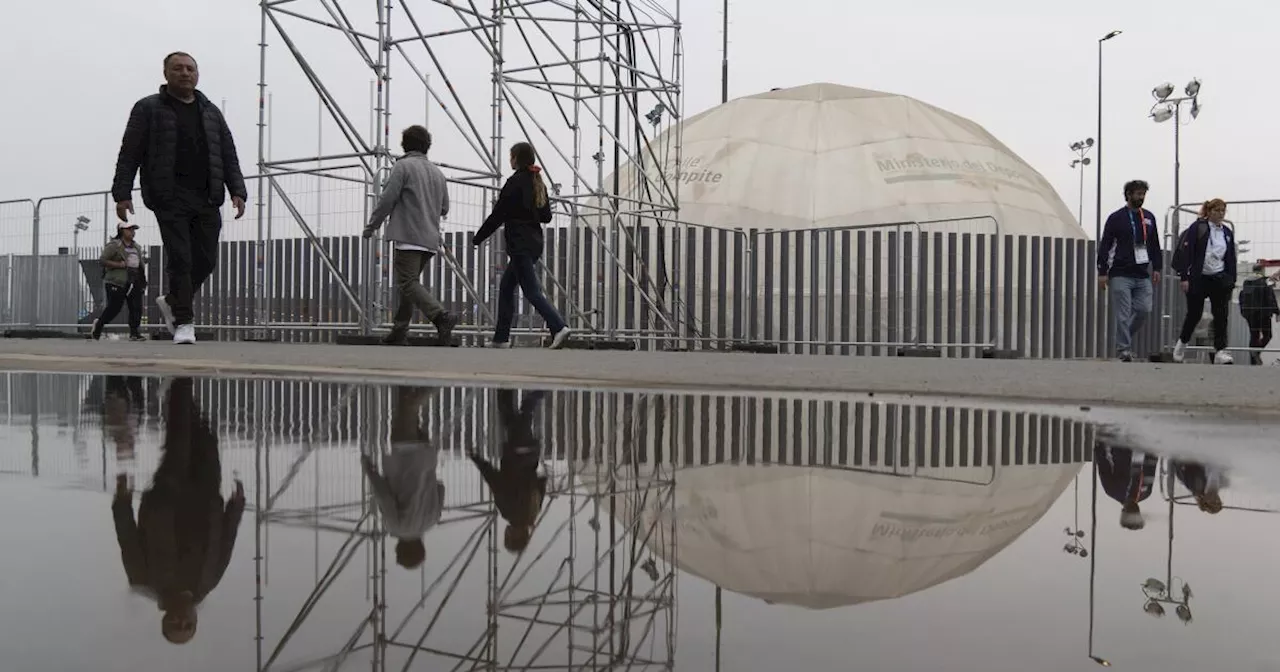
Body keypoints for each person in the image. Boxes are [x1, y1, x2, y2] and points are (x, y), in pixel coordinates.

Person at [111, 51, 247, 345]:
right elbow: (129, 152)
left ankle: (173, 300)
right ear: (166, 74)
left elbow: (228, 153)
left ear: (197, 75)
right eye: (178, 69)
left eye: (190, 69)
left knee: (207, 260)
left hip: (208, 196)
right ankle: (184, 322)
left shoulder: (210, 111)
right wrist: (122, 193)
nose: (185, 73)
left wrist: (237, 189)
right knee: (181, 258)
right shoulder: (148, 108)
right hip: (169, 196)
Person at [111, 377, 244, 644]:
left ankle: (181, 379)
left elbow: (127, 538)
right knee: (205, 439)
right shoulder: (208, 583)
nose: (181, 620)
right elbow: (225, 544)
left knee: (180, 439)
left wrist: (122, 500)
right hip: (206, 497)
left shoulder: (144, 579)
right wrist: (236, 506)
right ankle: (177, 392)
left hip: (168, 497)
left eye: (175, 625)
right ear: (195, 621)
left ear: (165, 620)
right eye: (187, 626)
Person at [363, 126, 459, 345]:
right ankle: (399, 330)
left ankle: (441, 316)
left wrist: (371, 226)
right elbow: (444, 208)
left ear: (404, 144)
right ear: (427, 146)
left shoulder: (403, 167)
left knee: (407, 282)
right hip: (430, 238)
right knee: (409, 285)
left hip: (408, 235)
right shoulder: (437, 173)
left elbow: (387, 199)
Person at [471, 142, 571, 349]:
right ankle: (501, 338)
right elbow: (546, 217)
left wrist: (478, 237)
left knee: (531, 291)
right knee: (507, 287)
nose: (510, 160)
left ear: (517, 158)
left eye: (511, 157)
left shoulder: (514, 183)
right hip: (534, 243)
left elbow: (498, 215)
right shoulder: (538, 182)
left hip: (519, 244)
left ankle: (558, 326)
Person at [360, 386, 445, 570]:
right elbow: (384, 497)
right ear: (400, 549)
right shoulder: (395, 527)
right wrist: (369, 469)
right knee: (408, 409)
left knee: (407, 409)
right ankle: (437, 384)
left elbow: (440, 488)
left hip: (426, 458)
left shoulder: (432, 520)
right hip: (404, 457)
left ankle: (408, 376)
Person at [469, 389, 549, 553]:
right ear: (514, 535)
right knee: (523, 414)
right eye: (507, 537)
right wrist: (476, 459)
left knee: (509, 417)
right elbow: (494, 480)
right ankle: (534, 395)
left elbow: (541, 483)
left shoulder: (533, 512)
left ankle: (506, 388)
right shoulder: (509, 512)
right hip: (515, 454)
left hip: (530, 454)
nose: (504, 534)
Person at [1097, 180, 1163, 362]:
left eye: (1143, 194)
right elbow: (1105, 246)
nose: (1141, 197)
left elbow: (1154, 244)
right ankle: (1124, 349)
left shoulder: (1149, 217)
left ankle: (1122, 338)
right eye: (1137, 194)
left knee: (1144, 310)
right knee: (1123, 313)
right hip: (1120, 273)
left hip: (1142, 273)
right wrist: (1102, 271)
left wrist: (1157, 267)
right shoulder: (1116, 218)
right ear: (1128, 194)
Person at [1170, 199, 1238, 364]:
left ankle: (1220, 350)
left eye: (1223, 211)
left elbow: (1230, 257)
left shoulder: (1227, 232)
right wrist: (1185, 277)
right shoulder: (1198, 227)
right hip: (1199, 277)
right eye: (1217, 210)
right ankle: (1182, 343)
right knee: (1195, 313)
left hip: (1219, 278)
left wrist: (1231, 278)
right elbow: (1187, 252)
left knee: (1221, 315)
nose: (1220, 214)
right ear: (1209, 211)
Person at [93, 223, 149, 341]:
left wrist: (142, 280)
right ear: (121, 231)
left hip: (134, 281)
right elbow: (102, 260)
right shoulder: (114, 245)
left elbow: (140, 264)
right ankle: (98, 326)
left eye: (133, 230)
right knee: (114, 308)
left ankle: (134, 333)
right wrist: (119, 264)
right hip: (117, 281)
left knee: (136, 307)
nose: (132, 232)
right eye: (129, 229)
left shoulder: (137, 247)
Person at [1094, 441, 1158, 531]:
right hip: (1143, 442)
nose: (1134, 512)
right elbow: (1152, 464)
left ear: (1123, 512)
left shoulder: (1112, 490)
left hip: (1121, 442)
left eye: (1130, 514)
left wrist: (1099, 443)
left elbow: (1103, 463)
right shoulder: (1146, 493)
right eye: (1136, 515)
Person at [1239, 263, 1279, 365]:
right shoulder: (1265, 281)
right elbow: (1270, 297)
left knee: (1254, 336)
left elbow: (1242, 297)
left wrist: (1244, 312)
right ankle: (1256, 352)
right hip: (1263, 313)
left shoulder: (1246, 282)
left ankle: (1253, 362)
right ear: (1262, 270)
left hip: (1250, 314)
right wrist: (1277, 312)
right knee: (1268, 335)